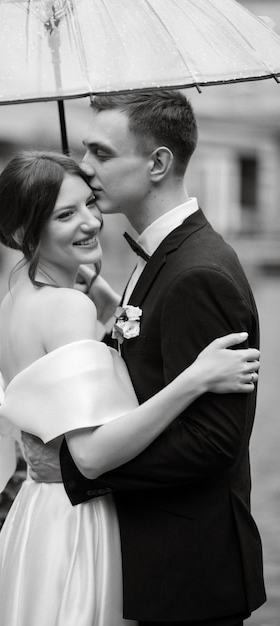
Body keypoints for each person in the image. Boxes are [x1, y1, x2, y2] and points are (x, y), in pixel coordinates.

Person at [0, 150, 260, 626]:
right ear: (25, 232)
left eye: (89, 204)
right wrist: (194, 378)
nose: (90, 223)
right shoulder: (69, 310)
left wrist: (106, 301)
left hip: (40, 513)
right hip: (83, 521)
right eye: (65, 214)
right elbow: (91, 455)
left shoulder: (16, 297)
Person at [60, 90, 266, 626]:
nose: (85, 170)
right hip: (159, 555)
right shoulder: (161, 254)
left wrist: (85, 467)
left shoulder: (198, 273)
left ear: (158, 163)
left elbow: (213, 442)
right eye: (84, 152)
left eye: (101, 155)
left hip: (188, 567)